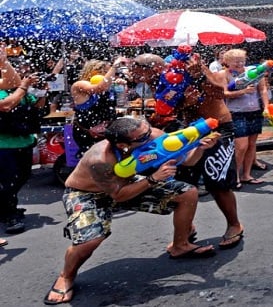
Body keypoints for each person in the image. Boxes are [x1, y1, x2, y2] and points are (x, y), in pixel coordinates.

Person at [43, 116, 219, 305]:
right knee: (90, 239)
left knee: (187, 193)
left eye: (149, 130)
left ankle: (180, 245)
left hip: (128, 184)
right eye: (143, 137)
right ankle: (66, 276)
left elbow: (188, 161)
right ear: (122, 145)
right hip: (87, 193)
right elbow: (118, 196)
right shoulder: (100, 159)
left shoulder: (153, 135)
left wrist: (200, 147)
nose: (150, 137)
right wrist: (153, 179)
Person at [134, 51, 245, 251]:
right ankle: (187, 230)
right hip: (189, 131)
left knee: (217, 181)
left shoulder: (189, 68)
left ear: (152, 68)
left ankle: (234, 224)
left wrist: (200, 76)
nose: (134, 77)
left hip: (217, 128)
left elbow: (221, 92)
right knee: (185, 183)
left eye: (138, 72)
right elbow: (170, 108)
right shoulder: (159, 81)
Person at [0, 48, 43, 235]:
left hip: (23, 141)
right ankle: (10, 215)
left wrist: (41, 91)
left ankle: (6, 206)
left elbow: (36, 104)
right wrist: (23, 87)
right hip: (3, 144)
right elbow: (7, 105)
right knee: (7, 182)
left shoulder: (15, 85)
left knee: (22, 177)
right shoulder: (9, 89)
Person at [221, 49, 269, 187]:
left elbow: (263, 89)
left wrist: (266, 107)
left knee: (252, 145)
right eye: (236, 61)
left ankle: (246, 175)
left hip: (254, 111)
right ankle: (234, 176)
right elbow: (224, 94)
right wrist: (243, 91)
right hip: (236, 113)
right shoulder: (224, 74)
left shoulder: (253, 71)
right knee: (241, 146)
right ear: (227, 62)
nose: (240, 63)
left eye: (242, 60)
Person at [70, 57, 129, 161]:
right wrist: (114, 66)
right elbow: (99, 88)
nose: (110, 74)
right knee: (94, 162)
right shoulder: (79, 85)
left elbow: (119, 103)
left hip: (106, 131)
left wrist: (120, 87)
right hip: (87, 132)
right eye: (106, 71)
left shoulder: (108, 84)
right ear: (94, 71)